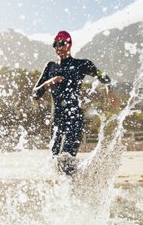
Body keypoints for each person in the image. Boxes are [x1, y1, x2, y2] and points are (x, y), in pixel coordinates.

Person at [32, 31, 113, 175]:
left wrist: (109, 89)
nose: (59, 47)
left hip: (74, 119)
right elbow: (35, 94)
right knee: (55, 159)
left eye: (62, 43)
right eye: (55, 44)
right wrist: (48, 82)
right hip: (56, 120)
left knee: (67, 159)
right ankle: (73, 188)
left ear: (69, 45)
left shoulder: (82, 64)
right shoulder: (50, 67)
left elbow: (103, 76)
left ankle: (75, 188)